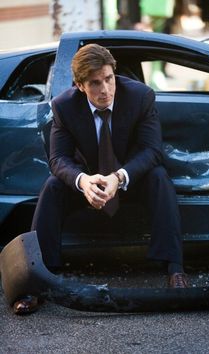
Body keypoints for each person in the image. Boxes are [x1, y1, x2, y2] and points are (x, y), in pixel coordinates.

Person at [13, 43, 187, 315]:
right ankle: (38, 281)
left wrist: (120, 176)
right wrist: (83, 182)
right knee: (53, 186)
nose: (105, 89)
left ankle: (175, 269)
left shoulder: (140, 96)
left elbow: (152, 151)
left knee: (159, 177)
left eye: (108, 79)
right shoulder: (64, 106)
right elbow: (58, 159)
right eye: (95, 83)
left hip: (130, 178)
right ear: (80, 85)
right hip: (89, 183)